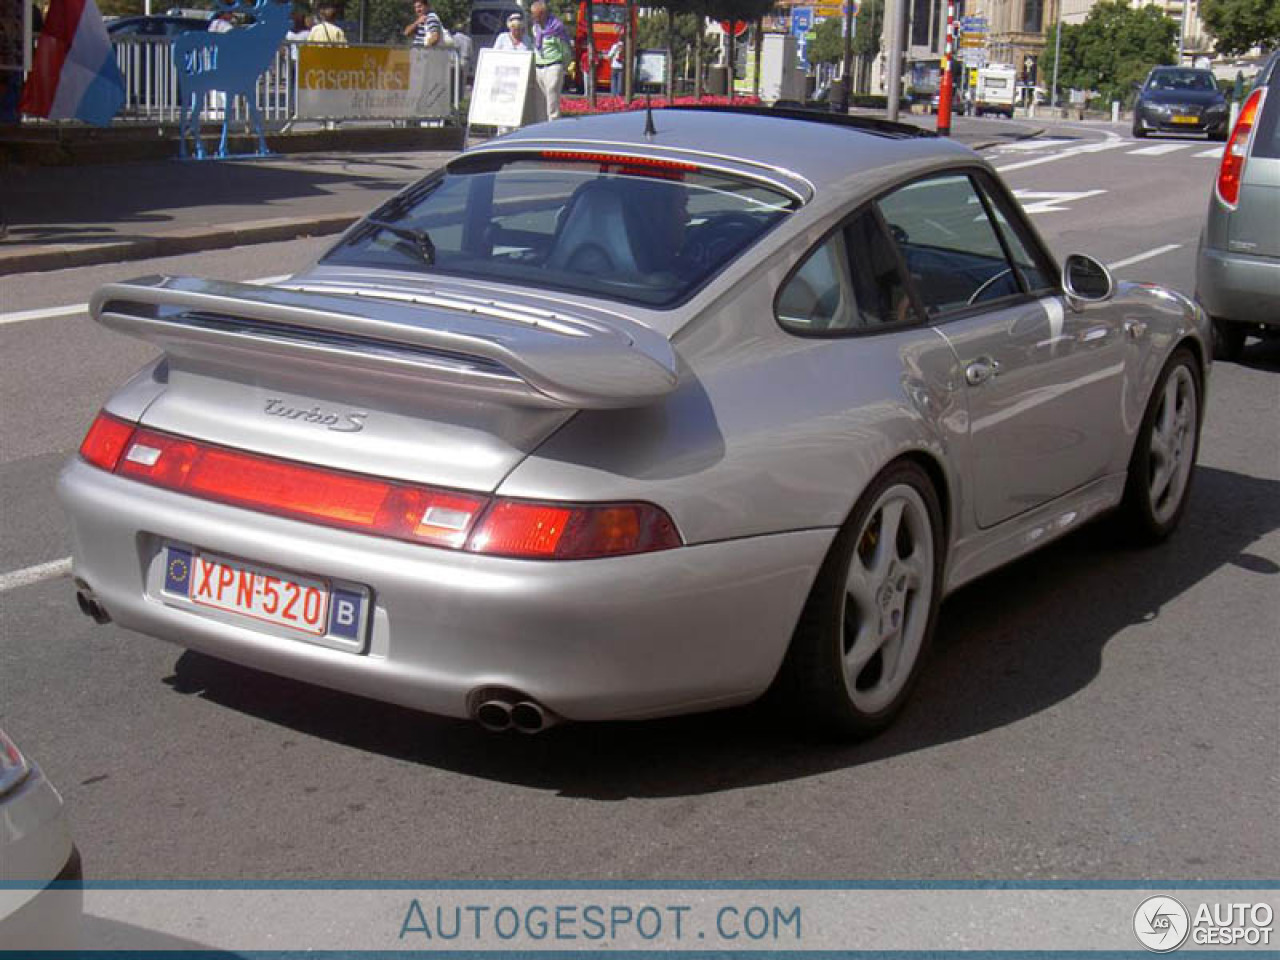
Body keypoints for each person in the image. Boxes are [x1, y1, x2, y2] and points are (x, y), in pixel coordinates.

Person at [529, 0, 570, 121]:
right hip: (539, 66)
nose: (532, 16)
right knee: (540, 101)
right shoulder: (535, 28)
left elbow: (565, 49)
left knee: (552, 97)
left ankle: (553, 124)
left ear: (542, 14)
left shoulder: (557, 27)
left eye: (534, 14)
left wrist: (564, 66)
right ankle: (541, 128)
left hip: (553, 65)